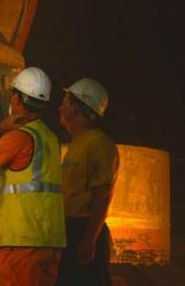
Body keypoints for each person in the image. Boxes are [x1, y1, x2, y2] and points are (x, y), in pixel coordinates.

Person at [0, 67, 65, 286]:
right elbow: (33, 183)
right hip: (48, 239)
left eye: (13, 95)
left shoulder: (18, 137)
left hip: (21, 241)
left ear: (18, 99)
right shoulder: (48, 137)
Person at [56, 79, 118, 286]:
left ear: (75, 108)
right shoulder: (78, 144)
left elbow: (102, 195)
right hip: (72, 230)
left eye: (65, 102)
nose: (60, 108)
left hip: (83, 229)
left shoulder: (99, 144)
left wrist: (89, 239)